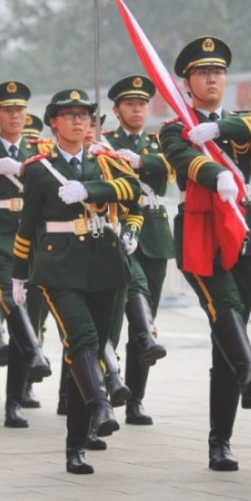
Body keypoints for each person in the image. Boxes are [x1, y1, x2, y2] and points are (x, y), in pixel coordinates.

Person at [159, 36, 251, 471]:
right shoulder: (175, 128)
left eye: (219, 72)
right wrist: (214, 172)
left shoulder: (240, 122)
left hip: (243, 230)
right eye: (203, 73)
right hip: (200, 229)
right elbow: (181, 159)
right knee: (223, 306)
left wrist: (221, 129)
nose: (212, 78)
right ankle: (248, 374)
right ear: (187, 82)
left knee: (228, 334)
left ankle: (221, 439)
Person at [12, 88, 142, 474]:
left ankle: (77, 443)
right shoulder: (38, 168)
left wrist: (91, 190)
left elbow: (133, 191)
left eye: (84, 115)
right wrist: (19, 274)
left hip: (105, 262)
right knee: (81, 339)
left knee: (94, 344)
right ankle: (100, 405)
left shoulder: (106, 161)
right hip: (60, 266)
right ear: (54, 122)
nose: (79, 121)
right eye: (69, 115)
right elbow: (27, 225)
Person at [0, 81, 52, 429]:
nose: (15, 115)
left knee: (30, 318)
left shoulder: (40, 150)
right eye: (7, 110)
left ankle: (18, 392)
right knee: (12, 301)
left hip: (35, 237)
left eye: (19, 109)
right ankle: (31, 361)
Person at [102, 75, 173, 425]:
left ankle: (136, 399)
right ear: (117, 110)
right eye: (130, 104)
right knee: (115, 319)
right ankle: (104, 390)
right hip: (120, 230)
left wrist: (143, 162)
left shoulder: (160, 142)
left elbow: (176, 164)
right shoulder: (105, 142)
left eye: (143, 104)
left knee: (145, 327)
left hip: (154, 235)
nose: (138, 109)